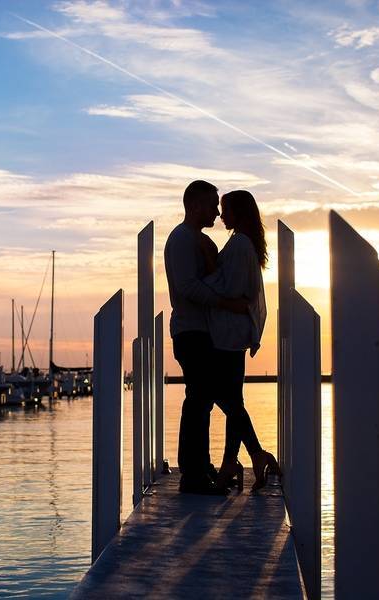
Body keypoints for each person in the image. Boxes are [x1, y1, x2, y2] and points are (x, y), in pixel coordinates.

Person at [164, 180, 248, 494]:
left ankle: (202, 467)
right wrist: (228, 304)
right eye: (213, 205)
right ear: (197, 205)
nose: (216, 211)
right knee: (199, 399)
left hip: (205, 332)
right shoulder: (182, 239)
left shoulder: (202, 242)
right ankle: (193, 475)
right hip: (190, 331)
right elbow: (188, 288)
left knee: (204, 401)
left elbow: (214, 278)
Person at [204, 190, 280, 491]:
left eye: (226, 211)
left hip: (228, 334)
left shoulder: (239, 244)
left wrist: (200, 277)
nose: (221, 216)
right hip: (232, 333)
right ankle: (241, 459)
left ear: (239, 213)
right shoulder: (246, 244)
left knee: (223, 397)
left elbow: (230, 288)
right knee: (233, 400)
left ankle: (243, 458)